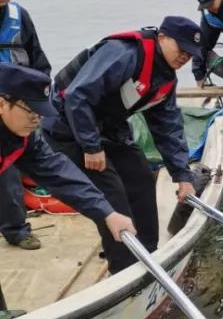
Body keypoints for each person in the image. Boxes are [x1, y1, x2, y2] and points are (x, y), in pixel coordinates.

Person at [46, 17, 202, 274]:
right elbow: (78, 96)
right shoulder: (124, 54)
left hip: (107, 129)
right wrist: (91, 147)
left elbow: (168, 129)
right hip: (69, 127)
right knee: (112, 193)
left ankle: (149, 253)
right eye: (181, 48)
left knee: (140, 176)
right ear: (162, 37)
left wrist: (182, 176)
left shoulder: (165, 79)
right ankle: (123, 269)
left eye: (190, 53)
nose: (185, 56)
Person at [0, 65, 134, 312]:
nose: (36, 119)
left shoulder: (24, 136)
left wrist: (107, 212)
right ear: (2, 104)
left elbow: (59, 173)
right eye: (30, 111)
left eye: (40, 113)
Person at [0, 0, 53, 252]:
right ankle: (16, 230)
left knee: (39, 156)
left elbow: (38, 59)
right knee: (6, 172)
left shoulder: (20, 17)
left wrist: (39, 98)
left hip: (20, 105)